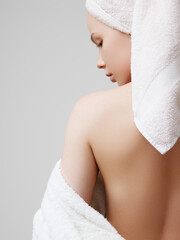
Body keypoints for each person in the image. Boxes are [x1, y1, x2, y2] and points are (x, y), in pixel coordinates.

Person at [60, 12, 180, 240]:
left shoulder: (90, 113)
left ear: (135, 28)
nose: (100, 61)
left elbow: (64, 225)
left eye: (100, 42)